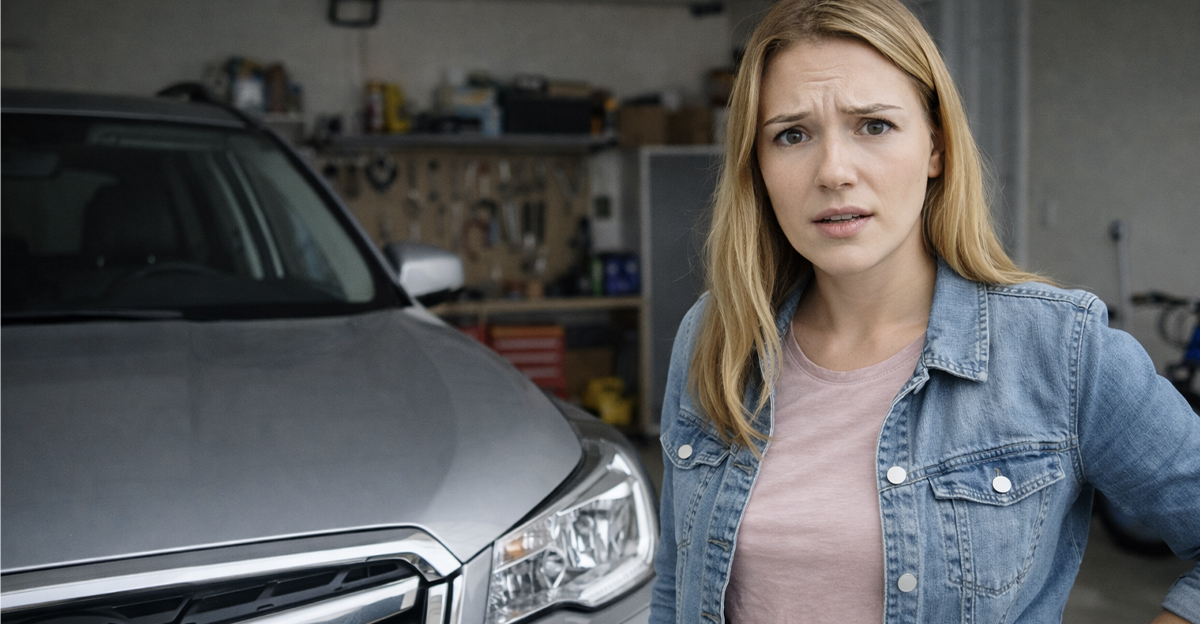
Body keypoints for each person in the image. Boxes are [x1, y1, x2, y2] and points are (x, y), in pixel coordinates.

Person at [649, 0, 1200, 622]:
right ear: (759, 166)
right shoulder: (715, 336)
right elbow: (675, 583)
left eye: (874, 126)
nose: (834, 171)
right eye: (792, 134)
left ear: (935, 148)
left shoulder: (1061, 349)